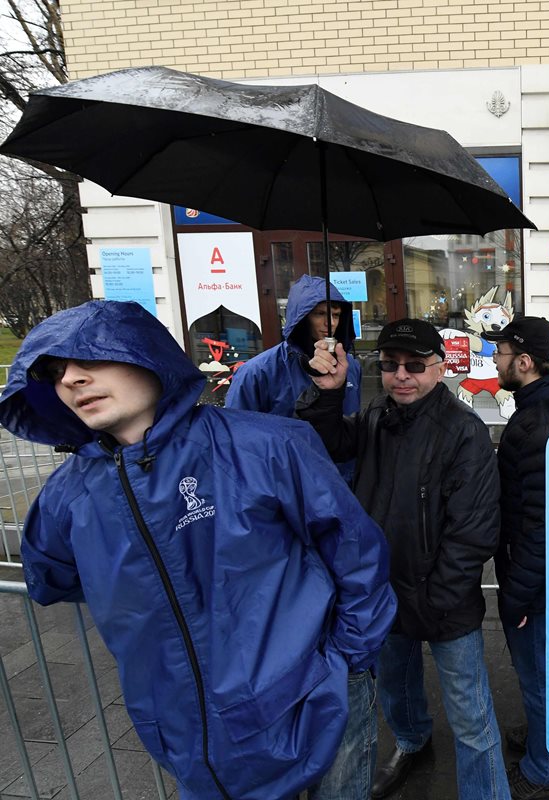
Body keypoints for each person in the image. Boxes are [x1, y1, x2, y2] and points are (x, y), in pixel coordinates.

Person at [0, 301, 397, 800]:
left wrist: (349, 659)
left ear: (147, 356)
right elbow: (51, 578)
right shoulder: (67, 497)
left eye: (90, 359)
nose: (73, 380)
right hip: (185, 730)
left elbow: (355, 553)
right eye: (54, 373)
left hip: (312, 695)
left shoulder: (267, 446)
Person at [298, 318, 510, 800]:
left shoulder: (464, 432)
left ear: (438, 370)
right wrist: (328, 392)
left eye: (415, 365)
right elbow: (324, 443)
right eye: (391, 365)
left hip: (443, 601)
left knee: (471, 716)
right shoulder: (377, 416)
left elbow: (474, 530)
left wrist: (435, 599)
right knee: (397, 689)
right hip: (382, 591)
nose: (402, 375)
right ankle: (413, 743)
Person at [482, 317, 549, 800]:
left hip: (537, 586)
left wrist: (516, 598)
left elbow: (543, 527)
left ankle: (545, 770)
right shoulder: (539, 409)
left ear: (523, 362)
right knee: (540, 677)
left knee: (540, 680)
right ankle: (545, 741)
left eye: (499, 353)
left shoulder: (540, 425)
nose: (493, 361)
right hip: (536, 577)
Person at [225, 274, 361, 481]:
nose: (330, 323)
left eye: (336, 314)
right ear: (302, 317)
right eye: (320, 314)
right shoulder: (257, 372)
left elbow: (352, 427)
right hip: (287, 482)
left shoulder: (349, 367)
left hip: (340, 481)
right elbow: (236, 437)